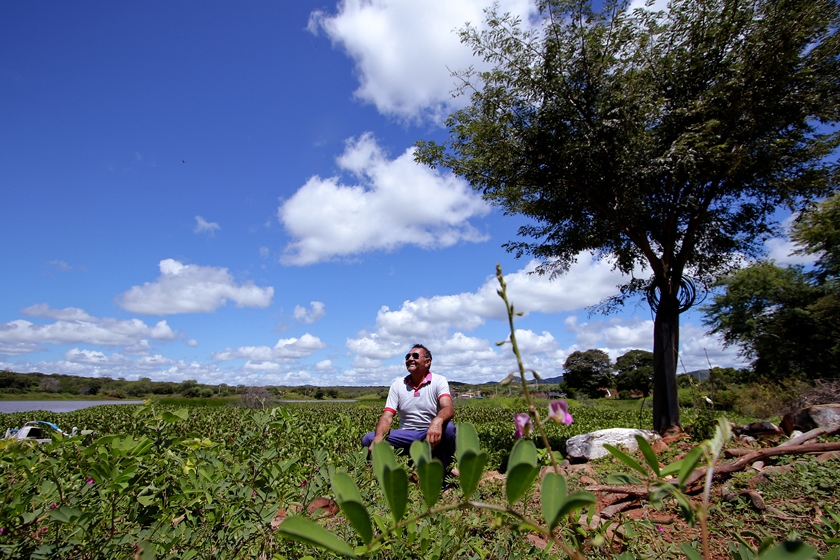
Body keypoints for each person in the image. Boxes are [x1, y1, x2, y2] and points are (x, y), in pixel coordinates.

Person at [361, 344, 456, 473]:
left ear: (427, 362)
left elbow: (448, 408)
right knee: (368, 439)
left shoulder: (439, 381)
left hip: (429, 433)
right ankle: (375, 478)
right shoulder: (397, 385)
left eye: (415, 356)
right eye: (407, 356)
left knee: (449, 429)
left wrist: (437, 421)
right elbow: (387, 416)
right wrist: (378, 437)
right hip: (406, 434)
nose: (410, 359)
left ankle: (446, 475)